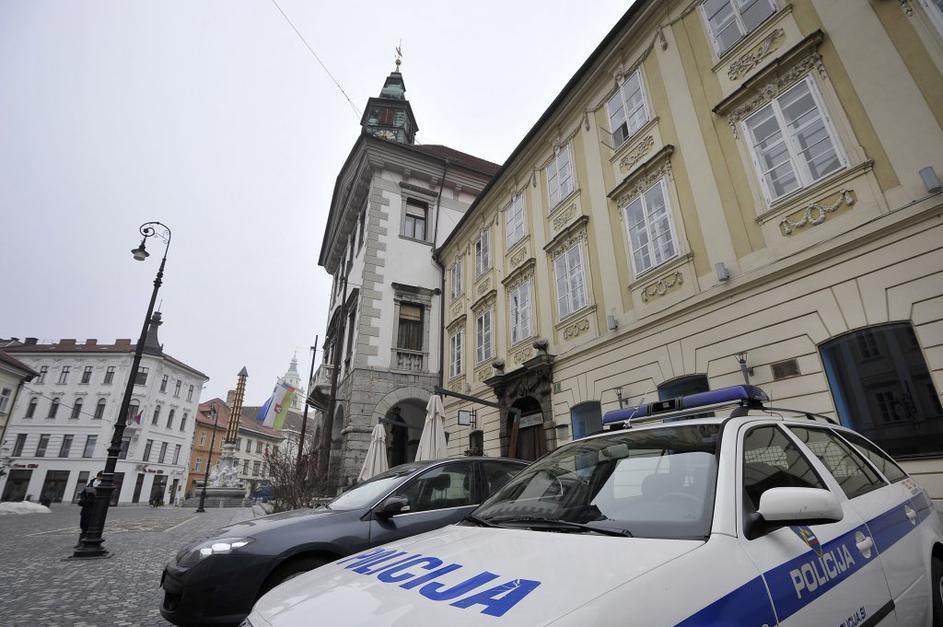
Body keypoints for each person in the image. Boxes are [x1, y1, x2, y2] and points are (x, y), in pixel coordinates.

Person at [75, 472, 101, 548]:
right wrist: (84, 498)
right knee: (83, 525)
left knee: (91, 526)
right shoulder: (91, 482)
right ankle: (81, 542)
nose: (100, 478)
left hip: (94, 507)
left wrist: (96, 494)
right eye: (99, 476)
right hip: (86, 506)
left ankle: (86, 542)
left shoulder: (103, 484)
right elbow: (83, 493)